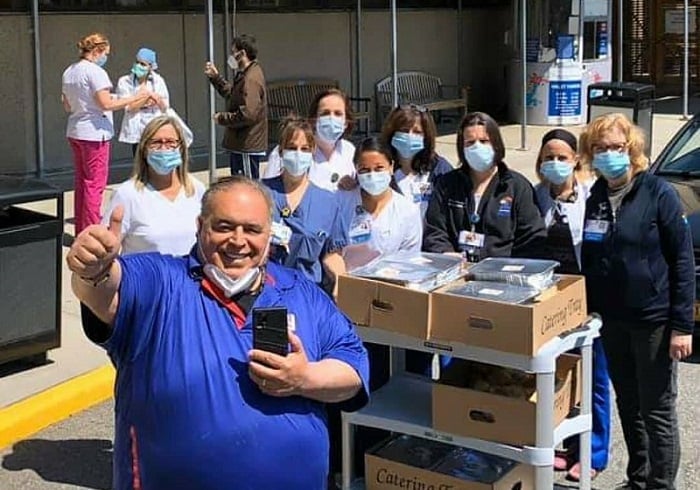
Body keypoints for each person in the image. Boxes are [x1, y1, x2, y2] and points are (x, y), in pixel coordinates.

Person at [67, 175, 369, 490]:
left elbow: (353, 369)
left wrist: (305, 378)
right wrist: (93, 270)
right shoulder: (162, 282)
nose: (238, 241)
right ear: (200, 226)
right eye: (224, 227)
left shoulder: (301, 291)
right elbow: (106, 292)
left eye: (252, 230)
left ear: (270, 236)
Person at [580, 113, 694, 490]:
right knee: (628, 404)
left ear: (632, 149)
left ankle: (662, 485)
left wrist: (682, 326)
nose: (609, 154)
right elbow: (594, 259)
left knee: (657, 409)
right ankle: (638, 478)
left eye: (617, 147)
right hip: (613, 321)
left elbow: (681, 260)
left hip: (654, 321)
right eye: (600, 148)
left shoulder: (657, 192)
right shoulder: (596, 195)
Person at [533, 129, 611, 481]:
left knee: (594, 378)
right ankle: (561, 446)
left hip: (588, 300)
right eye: (549, 157)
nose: (555, 163)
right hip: (549, 302)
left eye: (562, 157)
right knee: (557, 378)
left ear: (576, 159)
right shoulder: (535, 197)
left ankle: (592, 454)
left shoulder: (591, 197)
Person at [423, 111, 546, 261]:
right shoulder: (447, 184)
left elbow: (531, 236)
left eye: (484, 141)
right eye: (470, 142)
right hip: (456, 272)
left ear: (496, 144)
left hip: (503, 275)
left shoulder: (517, 187)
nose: (477, 147)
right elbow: (435, 230)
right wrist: (445, 253)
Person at [61, 32, 153, 234]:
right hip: (94, 133)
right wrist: (133, 98)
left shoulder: (69, 71)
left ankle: (82, 230)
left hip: (76, 130)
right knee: (95, 185)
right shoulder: (95, 72)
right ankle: (93, 231)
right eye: (106, 53)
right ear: (97, 51)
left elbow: (67, 104)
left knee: (82, 183)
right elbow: (106, 103)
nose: (106, 58)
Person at [261, 117, 348, 294]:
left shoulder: (327, 202)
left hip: (308, 293)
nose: (298, 154)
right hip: (265, 290)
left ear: (313, 151)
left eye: (304, 149)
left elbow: (332, 254)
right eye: (292, 148)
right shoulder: (259, 193)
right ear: (280, 151)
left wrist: (340, 282)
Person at [102, 115, 205, 256]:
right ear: (144, 149)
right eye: (156, 143)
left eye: (170, 142)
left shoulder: (197, 189)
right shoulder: (127, 195)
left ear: (181, 148)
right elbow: (106, 253)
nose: (164, 148)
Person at [337, 136, 422, 271]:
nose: (372, 175)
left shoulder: (407, 211)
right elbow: (331, 251)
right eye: (364, 170)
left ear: (391, 167)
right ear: (356, 170)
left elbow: (410, 259)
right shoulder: (342, 203)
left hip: (391, 285)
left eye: (379, 168)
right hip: (347, 284)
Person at [262, 89, 357, 192]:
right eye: (325, 113)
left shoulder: (350, 151)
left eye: (338, 114)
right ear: (314, 119)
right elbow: (268, 191)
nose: (331, 118)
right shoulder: (290, 150)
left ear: (346, 122)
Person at [205, 34, 268, 178]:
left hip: (246, 145)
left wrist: (222, 118)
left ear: (242, 53)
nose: (231, 56)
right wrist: (216, 78)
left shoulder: (250, 79)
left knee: (247, 185)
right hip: (241, 144)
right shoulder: (245, 75)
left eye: (233, 52)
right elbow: (233, 95)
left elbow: (248, 114)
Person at [381, 104, 453, 217]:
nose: (409, 135)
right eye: (404, 130)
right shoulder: (380, 168)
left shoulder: (439, 168)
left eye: (417, 132)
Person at [117, 47, 170, 156]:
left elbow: (164, 106)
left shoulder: (158, 81)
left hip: (154, 127)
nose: (139, 66)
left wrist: (153, 99)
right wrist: (147, 98)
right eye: (137, 62)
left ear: (151, 67)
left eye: (143, 64)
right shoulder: (124, 81)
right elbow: (129, 107)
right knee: (139, 161)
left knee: (155, 160)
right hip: (136, 129)